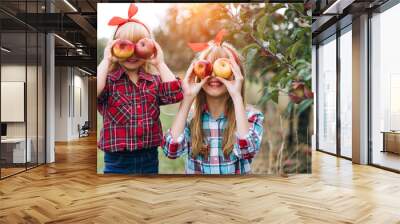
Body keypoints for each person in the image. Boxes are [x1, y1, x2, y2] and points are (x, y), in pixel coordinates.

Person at [162, 30, 264, 174]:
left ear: (236, 74)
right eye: (209, 68)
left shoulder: (250, 116)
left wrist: (236, 96)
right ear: (198, 73)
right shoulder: (191, 118)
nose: (215, 76)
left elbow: (247, 150)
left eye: (222, 67)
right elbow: (171, 151)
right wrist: (187, 98)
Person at [97, 3, 183, 174]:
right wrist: (107, 60)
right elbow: (95, 91)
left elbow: (175, 94)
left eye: (140, 45)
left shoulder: (154, 81)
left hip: (149, 157)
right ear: (114, 48)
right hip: (117, 160)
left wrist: (160, 63)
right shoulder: (108, 81)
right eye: (125, 46)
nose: (133, 53)